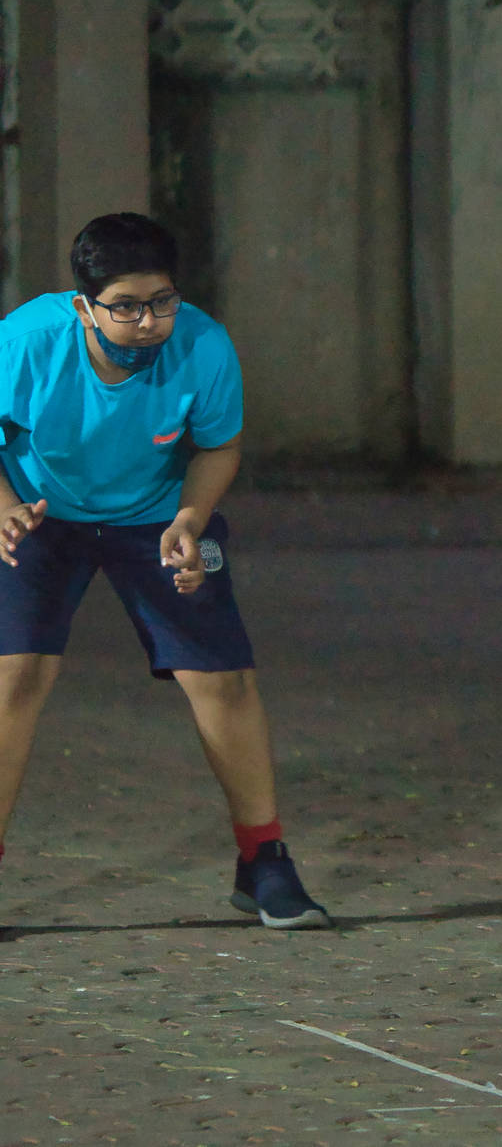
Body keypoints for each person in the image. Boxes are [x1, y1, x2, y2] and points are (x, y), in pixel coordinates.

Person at [0, 212, 329, 930]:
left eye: (162, 301)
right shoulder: (24, 343)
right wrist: (3, 507)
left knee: (222, 677)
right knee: (13, 675)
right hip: (38, 511)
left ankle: (264, 861)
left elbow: (218, 445)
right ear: (84, 306)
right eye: (125, 307)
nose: (148, 322)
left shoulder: (205, 345)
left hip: (156, 512)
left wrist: (192, 517)